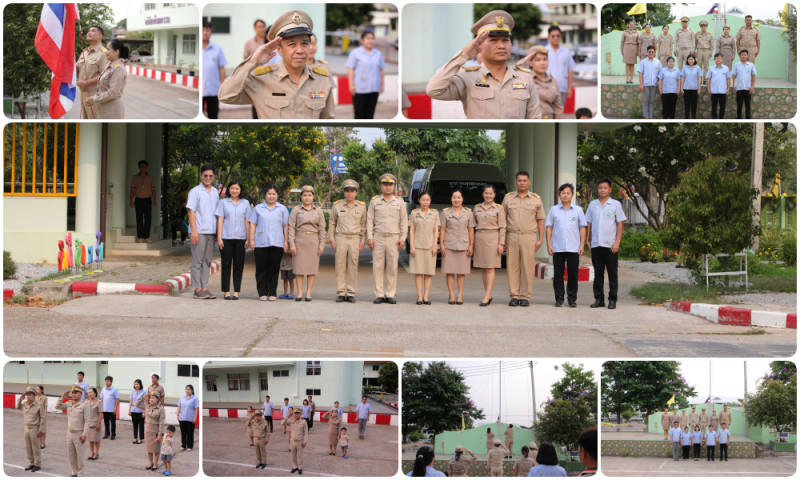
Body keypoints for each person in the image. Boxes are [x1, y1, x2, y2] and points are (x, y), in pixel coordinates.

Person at [426, 10, 541, 119]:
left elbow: (535, 120)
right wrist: (463, 55)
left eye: (505, 40)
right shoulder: (466, 77)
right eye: (493, 40)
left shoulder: (526, 78)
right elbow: (434, 90)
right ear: (479, 46)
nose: (501, 46)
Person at [219, 10, 334, 119]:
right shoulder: (262, 79)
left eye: (304, 43)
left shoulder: (322, 79)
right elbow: (225, 95)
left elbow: (328, 120)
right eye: (292, 44)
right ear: (279, 50)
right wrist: (253, 61)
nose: (300, 50)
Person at [503, 171, 545, 306]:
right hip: (512, 236)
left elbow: (540, 220)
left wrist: (541, 239)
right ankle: (514, 295)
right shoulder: (508, 198)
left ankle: (525, 296)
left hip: (529, 236)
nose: (522, 183)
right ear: (515, 182)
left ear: (529, 182)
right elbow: (502, 220)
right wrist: (502, 238)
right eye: (519, 180)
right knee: (512, 266)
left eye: (524, 180)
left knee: (527, 267)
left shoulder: (536, 199)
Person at [367, 173, 408, 304]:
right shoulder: (374, 201)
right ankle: (379, 293)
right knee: (377, 267)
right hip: (378, 237)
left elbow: (404, 221)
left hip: (393, 238)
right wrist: (369, 237)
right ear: (380, 186)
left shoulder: (399, 202)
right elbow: (369, 220)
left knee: (392, 267)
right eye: (385, 184)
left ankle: (390, 294)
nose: (388, 187)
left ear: (394, 186)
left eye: (390, 185)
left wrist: (403, 238)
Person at [585, 178, 625, 309]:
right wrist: (587, 240)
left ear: (610, 189)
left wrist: (617, 241)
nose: (602, 190)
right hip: (596, 245)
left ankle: (612, 299)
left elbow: (620, 223)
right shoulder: (593, 205)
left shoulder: (615, 205)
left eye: (605, 188)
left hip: (610, 245)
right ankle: (599, 299)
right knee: (598, 274)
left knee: (612, 274)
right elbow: (588, 223)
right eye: (600, 188)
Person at [546, 183, 587, 308]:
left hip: (573, 247)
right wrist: (549, 244)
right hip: (557, 247)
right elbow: (549, 228)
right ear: (559, 195)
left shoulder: (578, 210)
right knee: (558, 274)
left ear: (572, 195)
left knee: (573, 273)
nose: (565, 195)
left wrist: (582, 245)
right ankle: (559, 297)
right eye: (563, 193)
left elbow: (582, 228)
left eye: (568, 193)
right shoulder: (554, 210)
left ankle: (572, 298)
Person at [249, 185, 290, 301]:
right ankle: (262, 292)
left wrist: (286, 241)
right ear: (265, 195)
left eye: (274, 194)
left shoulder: (282, 209)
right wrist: (251, 239)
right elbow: (252, 224)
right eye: (269, 194)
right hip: (260, 242)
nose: (271, 196)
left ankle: (272, 292)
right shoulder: (258, 208)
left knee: (274, 268)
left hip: (277, 243)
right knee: (261, 268)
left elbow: (286, 226)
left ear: (277, 195)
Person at [329, 179, 367, 303]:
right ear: (344, 192)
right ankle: (340, 292)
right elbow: (332, 223)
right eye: (347, 191)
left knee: (353, 266)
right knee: (339, 265)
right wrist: (332, 239)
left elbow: (364, 225)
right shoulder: (337, 205)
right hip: (341, 237)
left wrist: (363, 240)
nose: (349, 194)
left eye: (352, 191)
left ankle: (350, 293)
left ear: (356, 193)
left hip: (355, 239)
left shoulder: (361, 206)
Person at [188, 164, 221, 299]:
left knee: (207, 260)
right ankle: (197, 289)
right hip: (199, 231)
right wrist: (194, 231)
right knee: (197, 260)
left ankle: (205, 288)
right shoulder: (195, 192)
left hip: (211, 231)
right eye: (205, 175)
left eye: (210, 176)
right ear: (201, 175)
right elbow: (191, 211)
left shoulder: (214, 192)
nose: (208, 178)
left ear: (213, 177)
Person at [215, 179, 252, 300]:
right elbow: (220, 221)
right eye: (232, 188)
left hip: (241, 239)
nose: (234, 190)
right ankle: (226, 291)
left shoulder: (246, 203)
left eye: (237, 188)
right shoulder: (223, 203)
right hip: (226, 238)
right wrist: (219, 238)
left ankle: (236, 292)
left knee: (238, 265)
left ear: (240, 190)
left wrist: (248, 238)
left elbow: (247, 221)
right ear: (228, 189)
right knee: (226, 265)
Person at [288, 185, 326, 302]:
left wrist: (322, 245)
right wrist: (292, 244)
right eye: (305, 195)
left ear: (313, 196)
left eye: (309, 195)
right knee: (299, 268)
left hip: (313, 241)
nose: (307, 197)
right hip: (299, 240)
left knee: (311, 269)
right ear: (301, 196)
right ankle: (299, 292)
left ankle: (308, 292)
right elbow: (291, 227)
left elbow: (322, 229)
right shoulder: (296, 210)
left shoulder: (318, 210)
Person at [440, 189, 475, 305]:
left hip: (464, 246)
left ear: (462, 199)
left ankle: (460, 295)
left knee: (461, 272)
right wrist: (441, 245)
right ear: (451, 199)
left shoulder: (469, 213)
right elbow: (443, 230)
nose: (456, 200)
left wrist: (471, 245)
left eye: (459, 197)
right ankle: (451, 295)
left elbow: (471, 230)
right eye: (454, 197)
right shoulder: (445, 213)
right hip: (449, 245)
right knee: (449, 271)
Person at [473, 184, 506, 306]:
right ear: (483, 194)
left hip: (493, 238)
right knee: (483, 267)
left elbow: (503, 227)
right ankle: (488, 293)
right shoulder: (477, 208)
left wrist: (501, 243)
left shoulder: (499, 208)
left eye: (491, 193)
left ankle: (487, 295)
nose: (488, 195)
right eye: (486, 193)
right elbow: (473, 225)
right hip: (480, 238)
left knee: (490, 267)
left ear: (494, 195)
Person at [408, 192, 440, 305]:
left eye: (427, 200)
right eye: (423, 200)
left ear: (430, 201)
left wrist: (435, 245)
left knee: (428, 272)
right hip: (417, 245)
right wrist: (411, 246)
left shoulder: (435, 213)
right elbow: (411, 230)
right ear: (419, 200)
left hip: (430, 245)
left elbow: (436, 230)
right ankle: (419, 296)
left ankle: (426, 296)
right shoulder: (414, 213)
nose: (425, 202)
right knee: (418, 272)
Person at [85, 39, 128, 119]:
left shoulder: (118, 69)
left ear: (117, 52)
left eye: (108, 49)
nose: (106, 51)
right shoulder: (109, 65)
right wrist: (94, 98)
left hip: (112, 108)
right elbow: (103, 88)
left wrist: (94, 99)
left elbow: (112, 92)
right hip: (103, 106)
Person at [347, 31, 386, 119]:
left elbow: (381, 70)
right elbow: (350, 69)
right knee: (359, 115)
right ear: (362, 40)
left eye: (372, 39)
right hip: (360, 89)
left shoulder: (378, 53)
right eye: (368, 38)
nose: (370, 41)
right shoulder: (355, 53)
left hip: (374, 88)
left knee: (370, 115)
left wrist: (382, 84)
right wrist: (351, 85)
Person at [75, 25, 110, 119]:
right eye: (88, 31)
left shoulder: (104, 53)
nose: (89, 33)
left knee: (94, 122)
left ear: (100, 36)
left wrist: (85, 83)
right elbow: (77, 69)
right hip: (83, 93)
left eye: (93, 31)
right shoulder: (84, 52)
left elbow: (105, 75)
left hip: (95, 94)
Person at [57, 386, 90, 477]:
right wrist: (62, 397)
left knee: (80, 456)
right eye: (73, 392)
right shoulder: (69, 403)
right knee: (71, 455)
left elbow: (87, 420)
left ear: (81, 394)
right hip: (69, 433)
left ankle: (80, 474)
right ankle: (74, 472)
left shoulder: (84, 404)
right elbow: (57, 406)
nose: (73, 394)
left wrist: (85, 434)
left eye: (76, 392)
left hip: (79, 434)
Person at [527, 45, 563, 119]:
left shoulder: (553, 81)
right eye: (538, 60)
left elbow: (558, 108)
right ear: (530, 63)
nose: (542, 63)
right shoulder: (526, 80)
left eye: (545, 59)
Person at [202, 19, 227, 119]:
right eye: (203, 30)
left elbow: (221, 68)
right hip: (199, 91)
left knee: (213, 117)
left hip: (214, 90)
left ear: (211, 32)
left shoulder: (217, 48)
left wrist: (222, 85)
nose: (205, 32)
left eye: (207, 30)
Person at [135, 391, 166, 471]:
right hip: (148, 430)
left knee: (156, 449)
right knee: (149, 448)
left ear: (157, 399)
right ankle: (150, 462)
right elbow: (136, 404)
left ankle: (155, 463)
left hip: (156, 430)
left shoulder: (161, 409)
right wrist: (143, 398)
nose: (151, 400)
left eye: (153, 398)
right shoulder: (146, 406)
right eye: (150, 398)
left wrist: (160, 434)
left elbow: (161, 422)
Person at [545, 26, 575, 105]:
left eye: (558, 35)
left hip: (562, 88)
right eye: (553, 36)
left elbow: (570, 70)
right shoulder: (544, 51)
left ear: (561, 36)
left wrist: (569, 88)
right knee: (548, 113)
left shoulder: (566, 51)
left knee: (560, 113)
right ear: (548, 37)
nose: (556, 38)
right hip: (547, 88)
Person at [17, 388, 45, 472]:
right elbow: (17, 407)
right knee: (28, 447)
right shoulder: (25, 404)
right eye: (27, 395)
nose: (28, 397)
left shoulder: (39, 405)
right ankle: (31, 463)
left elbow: (42, 419)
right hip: (26, 428)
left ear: (34, 396)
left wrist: (41, 430)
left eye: (30, 395)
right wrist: (20, 399)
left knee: (35, 448)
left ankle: (37, 464)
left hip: (35, 428)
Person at [731, 49, 757, 119]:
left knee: (747, 105)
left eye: (745, 55)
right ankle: (739, 118)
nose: (743, 56)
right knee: (739, 105)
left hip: (748, 88)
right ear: (740, 55)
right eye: (742, 55)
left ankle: (748, 118)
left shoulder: (751, 65)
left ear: (747, 56)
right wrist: (733, 86)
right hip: (739, 88)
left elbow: (753, 76)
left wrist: (752, 87)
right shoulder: (736, 65)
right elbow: (733, 76)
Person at [636, 46, 661, 119]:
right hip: (646, 84)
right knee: (646, 101)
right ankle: (646, 116)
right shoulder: (643, 62)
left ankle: (650, 116)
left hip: (654, 84)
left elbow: (660, 74)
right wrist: (641, 84)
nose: (651, 53)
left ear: (654, 52)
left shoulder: (657, 62)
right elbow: (640, 73)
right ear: (647, 52)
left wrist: (659, 84)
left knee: (652, 101)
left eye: (652, 52)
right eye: (649, 52)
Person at [706, 54, 731, 119]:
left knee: (722, 106)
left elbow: (728, 79)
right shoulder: (711, 68)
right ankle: (714, 118)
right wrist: (708, 89)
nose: (718, 59)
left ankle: (721, 118)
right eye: (717, 58)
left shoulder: (726, 68)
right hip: (714, 90)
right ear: (714, 60)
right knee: (714, 105)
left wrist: (728, 89)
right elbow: (708, 78)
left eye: (720, 58)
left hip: (723, 91)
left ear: (722, 59)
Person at [678, 54, 702, 119]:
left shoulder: (698, 68)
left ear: (694, 60)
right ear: (687, 60)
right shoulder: (684, 68)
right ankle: (687, 118)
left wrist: (699, 89)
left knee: (694, 104)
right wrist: (681, 88)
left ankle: (693, 118)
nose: (690, 60)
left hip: (695, 89)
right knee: (686, 105)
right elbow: (682, 78)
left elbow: (699, 79)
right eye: (689, 59)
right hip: (686, 88)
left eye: (692, 59)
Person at [176, 385, 199, 452]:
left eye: (189, 389)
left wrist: (195, 418)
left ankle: (190, 446)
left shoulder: (194, 399)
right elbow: (179, 406)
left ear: (192, 390)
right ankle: (183, 445)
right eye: (186, 389)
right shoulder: (182, 397)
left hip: (190, 418)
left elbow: (196, 409)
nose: (187, 391)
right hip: (182, 418)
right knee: (183, 432)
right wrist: (177, 415)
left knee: (190, 433)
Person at [289, 408, 309, 474]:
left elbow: (306, 432)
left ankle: (300, 467)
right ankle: (295, 467)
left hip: (300, 441)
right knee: (293, 455)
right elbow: (282, 423)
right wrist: (288, 416)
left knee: (300, 456)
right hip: (293, 441)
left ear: (300, 414)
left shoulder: (303, 422)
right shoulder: (291, 421)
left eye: (298, 413)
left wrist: (305, 441)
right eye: (295, 413)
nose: (296, 415)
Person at [99, 376, 119, 440]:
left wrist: (115, 408)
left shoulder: (114, 389)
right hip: (105, 409)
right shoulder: (103, 389)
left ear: (111, 382)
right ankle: (106, 434)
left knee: (113, 422)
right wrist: (101, 407)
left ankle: (113, 434)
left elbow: (117, 399)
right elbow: (101, 397)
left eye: (108, 381)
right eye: (105, 381)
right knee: (106, 422)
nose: (106, 382)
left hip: (112, 409)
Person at [620, 20, 639, 84]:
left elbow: (638, 43)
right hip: (626, 48)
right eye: (630, 24)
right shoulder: (625, 33)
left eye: (633, 24)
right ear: (628, 25)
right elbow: (622, 42)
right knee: (627, 64)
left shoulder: (636, 33)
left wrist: (638, 51)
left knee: (632, 64)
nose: (631, 26)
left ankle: (632, 79)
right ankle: (627, 78)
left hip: (634, 48)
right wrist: (621, 50)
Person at [86, 388, 103, 461]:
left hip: (96, 423)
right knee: (90, 439)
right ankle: (91, 452)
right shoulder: (86, 402)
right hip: (88, 423)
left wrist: (99, 424)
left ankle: (96, 453)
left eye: (91, 392)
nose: (89, 394)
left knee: (96, 439)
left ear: (95, 393)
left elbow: (100, 414)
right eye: (88, 392)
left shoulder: (99, 402)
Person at [172, 180, 190, 245]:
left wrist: (179, 210)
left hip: (181, 209)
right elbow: (174, 197)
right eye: (183, 183)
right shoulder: (179, 190)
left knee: (175, 223)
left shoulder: (185, 192)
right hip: (178, 209)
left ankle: (177, 239)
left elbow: (182, 201)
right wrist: (178, 198)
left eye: (185, 183)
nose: (184, 184)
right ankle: (179, 239)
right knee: (178, 223)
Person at [129, 379, 146, 445]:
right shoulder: (133, 392)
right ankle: (135, 438)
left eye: (137, 384)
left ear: (140, 385)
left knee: (141, 425)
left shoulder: (143, 392)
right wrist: (129, 410)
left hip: (140, 411)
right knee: (134, 425)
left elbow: (145, 402)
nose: (136, 385)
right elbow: (131, 401)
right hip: (133, 410)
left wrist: (144, 412)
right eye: (135, 384)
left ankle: (140, 438)